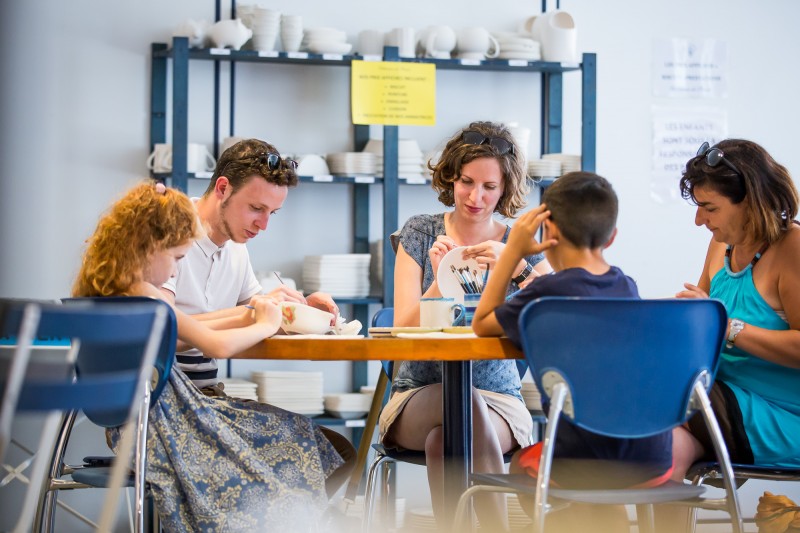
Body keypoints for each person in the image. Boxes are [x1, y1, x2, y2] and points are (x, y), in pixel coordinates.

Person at [73, 182, 352, 532]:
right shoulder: (150, 298)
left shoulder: (112, 290)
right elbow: (214, 346)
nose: (175, 272)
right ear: (149, 247)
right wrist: (264, 323)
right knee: (305, 447)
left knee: (297, 448)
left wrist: (252, 310)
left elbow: (188, 326)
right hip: (171, 425)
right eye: (175, 258)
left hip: (133, 425)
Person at [472, 172, 674, 532]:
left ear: (548, 232)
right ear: (612, 237)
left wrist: (513, 252)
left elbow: (482, 323)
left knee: (524, 463)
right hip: (652, 460)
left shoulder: (547, 295)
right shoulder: (627, 287)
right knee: (596, 493)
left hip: (578, 462)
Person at [379, 121, 551, 530]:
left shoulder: (518, 239)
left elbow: (558, 313)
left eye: (489, 187)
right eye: (466, 182)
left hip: (499, 402)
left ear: (505, 189)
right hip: (417, 396)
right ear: (450, 178)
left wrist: (518, 267)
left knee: (448, 437)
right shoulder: (421, 233)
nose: (476, 197)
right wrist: (440, 280)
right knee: (460, 401)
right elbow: (401, 327)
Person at [673, 140, 800, 481]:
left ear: (750, 203)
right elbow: (703, 322)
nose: (700, 220)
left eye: (710, 208)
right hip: (718, 403)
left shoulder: (792, 248)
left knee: (658, 396)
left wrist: (727, 327)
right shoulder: (720, 245)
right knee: (660, 450)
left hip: (780, 416)